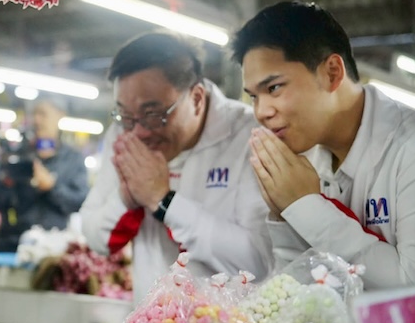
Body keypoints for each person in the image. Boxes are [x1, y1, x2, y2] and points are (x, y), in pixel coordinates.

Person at [232, 1, 415, 323]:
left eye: (274, 88)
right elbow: (300, 289)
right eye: (253, 96)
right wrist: (283, 216)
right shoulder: (307, 158)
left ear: (332, 72)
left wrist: (305, 206)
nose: (261, 112)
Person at [80, 31, 272, 301]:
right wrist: (126, 198)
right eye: (125, 115)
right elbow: (96, 238)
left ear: (196, 98)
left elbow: (258, 263)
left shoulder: (249, 136)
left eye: (153, 114)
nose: (139, 132)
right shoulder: (123, 135)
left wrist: (164, 201)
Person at [0, 95, 90, 253]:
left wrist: (52, 187)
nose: (37, 120)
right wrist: (8, 181)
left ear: (60, 115)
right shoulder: (15, 155)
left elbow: (80, 202)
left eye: (43, 114)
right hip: (11, 244)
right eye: (34, 114)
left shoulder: (72, 159)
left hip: (51, 248)